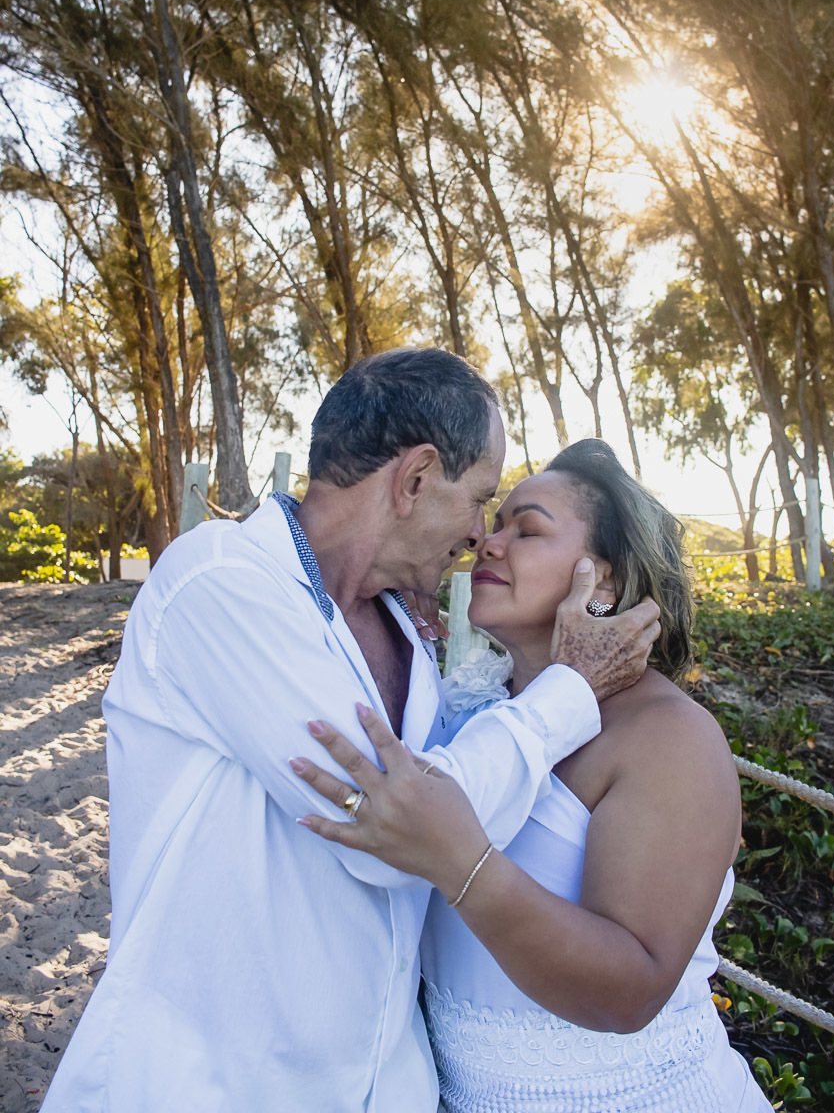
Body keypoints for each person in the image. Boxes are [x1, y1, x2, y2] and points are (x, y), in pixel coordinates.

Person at [41, 353, 660, 1113]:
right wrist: (570, 692)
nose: (476, 536)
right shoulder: (221, 583)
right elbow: (389, 836)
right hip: (211, 1084)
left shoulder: (404, 625)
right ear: (415, 478)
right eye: (478, 501)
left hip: (383, 1088)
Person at [293, 439, 773, 1112]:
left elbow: (632, 987)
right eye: (496, 523)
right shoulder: (470, 711)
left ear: (600, 580)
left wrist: (462, 861)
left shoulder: (667, 736)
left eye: (528, 528)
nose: (489, 542)